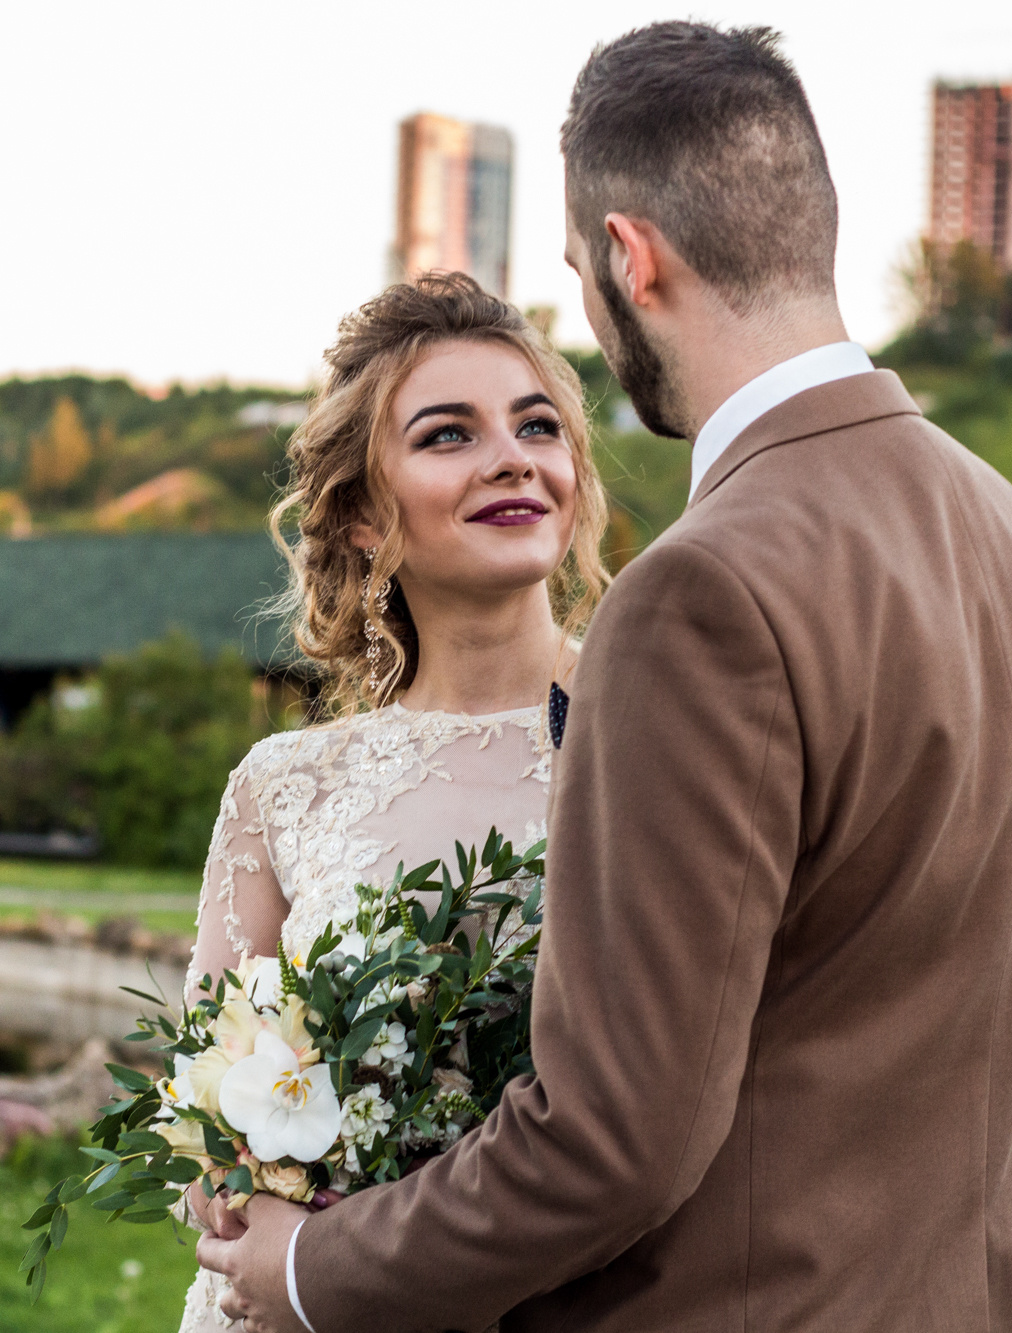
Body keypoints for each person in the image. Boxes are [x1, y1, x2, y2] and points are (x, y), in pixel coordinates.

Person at [200, 21, 1012, 1333]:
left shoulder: (699, 596)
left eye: (579, 274)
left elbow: (620, 1137)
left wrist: (304, 1270)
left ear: (630, 256)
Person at [174, 272, 612, 1332]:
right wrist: (261, 1207)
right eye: (447, 435)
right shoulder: (282, 789)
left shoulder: (653, 733)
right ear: (364, 515)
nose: (511, 455)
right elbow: (208, 1120)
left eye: (536, 424)